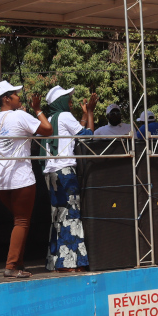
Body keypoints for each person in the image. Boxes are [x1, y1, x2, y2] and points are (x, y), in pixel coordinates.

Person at [0, 80, 53, 278]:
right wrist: (38, 109)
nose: (19, 97)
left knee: (19, 221)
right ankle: (12, 265)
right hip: (20, 177)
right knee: (22, 221)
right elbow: (47, 130)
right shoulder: (20, 116)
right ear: (7, 99)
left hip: (0, 178)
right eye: (15, 94)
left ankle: (19, 263)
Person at [42, 85, 97, 271]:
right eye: (68, 98)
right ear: (61, 102)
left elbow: (74, 133)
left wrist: (83, 117)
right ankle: (70, 263)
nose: (71, 102)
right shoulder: (65, 116)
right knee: (71, 215)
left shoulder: (49, 119)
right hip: (65, 171)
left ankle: (55, 261)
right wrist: (90, 112)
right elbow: (87, 136)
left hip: (51, 173)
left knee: (57, 216)